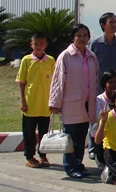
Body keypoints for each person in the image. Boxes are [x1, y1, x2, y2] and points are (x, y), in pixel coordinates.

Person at [49, 24, 99, 178]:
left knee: (81, 137)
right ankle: (70, 167)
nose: (82, 38)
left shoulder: (92, 56)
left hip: (87, 103)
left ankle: (78, 163)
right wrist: (55, 103)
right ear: (73, 38)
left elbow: (95, 79)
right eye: (79, 35)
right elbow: (58, 81)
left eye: (85, 35)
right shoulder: (65, 56)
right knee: (70, 138)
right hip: (71, 103)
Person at [16, 33, 55, 169]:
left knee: (44, 133)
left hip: (45, 104)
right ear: (31, 45)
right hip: (30, 104)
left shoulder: (50, 60)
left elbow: (55, 82)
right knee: (29, 133)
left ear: (46, 45)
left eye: (41, 44)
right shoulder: (26, 60)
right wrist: (22, 101)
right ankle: (29, 157)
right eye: (36, 44)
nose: (38, 46)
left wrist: (54, 101)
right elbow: (22, 82)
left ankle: (43, 156)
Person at [89, 70, 116, 167]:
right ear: (104, 84)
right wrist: (110, 109)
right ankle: (99, 157)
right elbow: (96, 117)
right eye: (110, 82)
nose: (114, 85)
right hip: (101, 132)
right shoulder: (99, 99)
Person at [90, 12, 116, 83]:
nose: (114, 25)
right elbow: (91, 65)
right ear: (103, 25)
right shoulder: (95, 44)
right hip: (101, 84)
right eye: (110, 22)